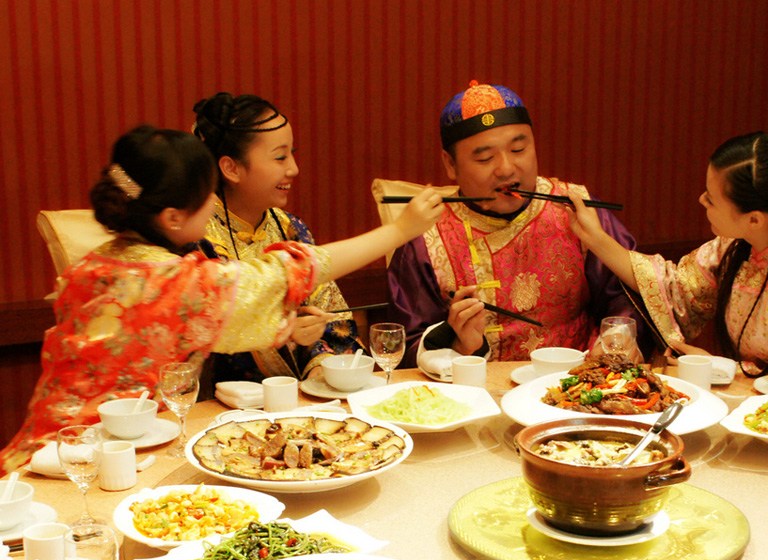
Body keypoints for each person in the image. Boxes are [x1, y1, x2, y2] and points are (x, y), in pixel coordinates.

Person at [0, 126, 442, 474]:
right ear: (173, 217)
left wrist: (288, 326)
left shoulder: (93, 266)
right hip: (88, 461)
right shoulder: (172, 282)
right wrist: (399, 230)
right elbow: (294, 269)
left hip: (39, 446)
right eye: (205, 197)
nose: (215, 203)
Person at [567, 131, 768, 390]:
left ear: (754, 219)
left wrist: (727, 370)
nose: (701, 200)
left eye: (711, 198)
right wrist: (595, 238)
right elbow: (676, 288)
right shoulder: (738, 244)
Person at [386, 81, 644, 372]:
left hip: (576, 384)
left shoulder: (576, 209)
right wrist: (458, 346)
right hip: (477, 393)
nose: (506, 168)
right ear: (450, 164)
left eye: (519, 149)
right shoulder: (425, 236)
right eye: (485, 158)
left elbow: (629, 294)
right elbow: (403, 345)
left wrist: (618, 335)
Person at [193, 92, 362, 383]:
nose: (294, 169)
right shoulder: (198, 239)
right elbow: (204, 338)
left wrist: (319, 359)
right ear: (231, 168)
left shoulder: (291, 228)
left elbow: (335, 321)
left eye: (292, 154)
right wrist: (282, 331)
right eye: (280, 157)